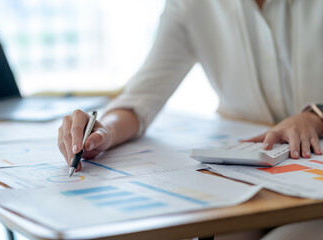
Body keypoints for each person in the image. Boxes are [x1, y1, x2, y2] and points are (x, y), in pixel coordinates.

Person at [58, 0, 323, 239]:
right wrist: (104, 132)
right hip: (247, 177)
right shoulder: (190, 5)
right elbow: (142, 96)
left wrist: (316, 115)